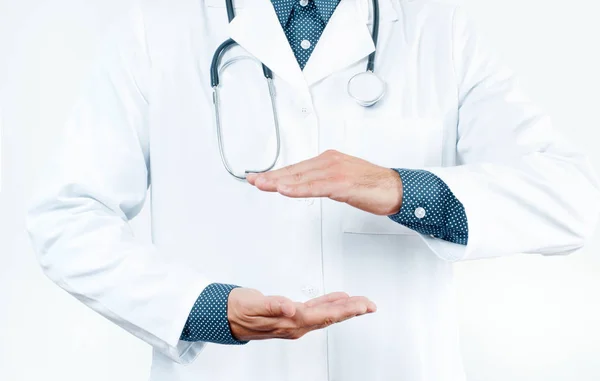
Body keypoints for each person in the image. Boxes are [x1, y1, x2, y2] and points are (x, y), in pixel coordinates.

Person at [26, 0, 600, 380]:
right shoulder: (158, 30)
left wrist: (404, 189)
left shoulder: (436, 30)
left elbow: (571, 198)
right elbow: (67, 218)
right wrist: (205, 310)